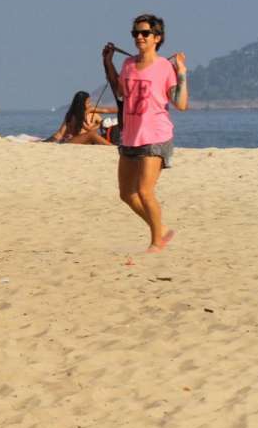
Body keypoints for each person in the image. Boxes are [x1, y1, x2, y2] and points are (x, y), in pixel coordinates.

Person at [103, 14, 189, 252]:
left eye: (145, 33)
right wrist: (108, 63)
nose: (139, 37)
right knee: (126, 194)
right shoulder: (128, 64)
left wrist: (181, 72)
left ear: (157, 38)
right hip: (130, 135)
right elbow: (120, 93)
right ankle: (159, 230)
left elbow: (180, 104)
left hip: (156, 136)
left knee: (144, 190)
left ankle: (156, 242)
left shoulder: (164, 67)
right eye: (135, 33)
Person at [46, 90, 115, 144]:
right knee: (92, 134)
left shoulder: (93, 113)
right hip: (74, 140)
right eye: (88, 103)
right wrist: (101, 124)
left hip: (89, 141)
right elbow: (60, 133)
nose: (90, 104)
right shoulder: (74, 116)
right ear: (81, 104)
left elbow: (106, 110)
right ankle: (112, 147)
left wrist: (122, 108)